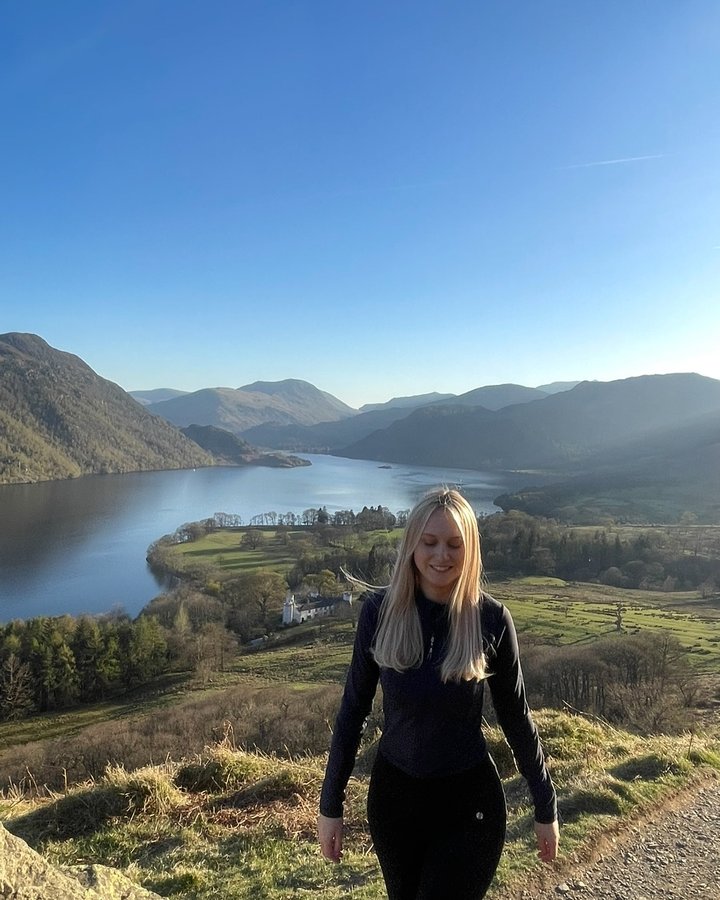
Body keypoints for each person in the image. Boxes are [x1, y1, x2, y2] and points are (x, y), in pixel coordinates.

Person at [317, 487, 559, 900]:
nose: (441, 556)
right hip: (394, 802)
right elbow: (353, 710)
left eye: (453, 544)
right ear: (412, 544)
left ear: (470, 550)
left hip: (469, 806)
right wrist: (330, 805)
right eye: (429, 543)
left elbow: (516, 717)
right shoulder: (379, 612)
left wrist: (545, 805)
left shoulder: (491, 620)